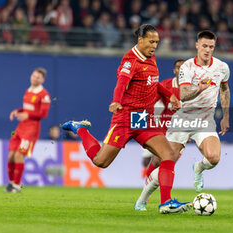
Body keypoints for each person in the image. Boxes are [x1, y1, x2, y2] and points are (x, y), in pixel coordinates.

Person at [61, 24, 191, 214]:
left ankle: (166, 202)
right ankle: (80, 128)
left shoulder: (151, 57)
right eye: (151, 41)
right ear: (140, 40)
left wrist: (168, 94)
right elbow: (121, 84)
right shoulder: (130, 61)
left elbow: (153, 83)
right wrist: (115, 101)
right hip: (125, 118)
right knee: (100, 162)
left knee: (168, 155)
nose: (155, 45)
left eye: (157, 42)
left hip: (143, 119)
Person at [134, 30, 231, 210]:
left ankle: (199, 168)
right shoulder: (187, 67)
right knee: (165, 161)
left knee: (214, 157)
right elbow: (184, 95)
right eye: (204, 46)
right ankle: (142, 199)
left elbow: (224, 90)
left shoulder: (222, 67)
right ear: (197, 45)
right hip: (183, 119)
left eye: (211, 47)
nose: (207, 50)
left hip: (205, 119)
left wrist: (226, 116)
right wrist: (199, 89)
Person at [5, 68, 51, 193]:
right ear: (31, 76)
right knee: (10, 156)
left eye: (38, 77)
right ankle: (11, 184)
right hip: (20, 127)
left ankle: (17, 186)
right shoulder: (28, 91)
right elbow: (27, 109)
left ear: (42, 80)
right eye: (34, 76)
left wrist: (28, 115)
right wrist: (18, 111)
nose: (35, 78)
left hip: (31, 129)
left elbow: (43, 114)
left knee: (19, 155)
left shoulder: (44, 95)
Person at [140, 59, 185, 179]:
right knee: (156, 159)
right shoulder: (166, 85)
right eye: (178, 67)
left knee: (169, 163)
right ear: (174, 70)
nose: (181, 70)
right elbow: (150, 101)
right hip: (164, 129)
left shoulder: (194, 88)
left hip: (182, 132)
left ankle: (155, 186)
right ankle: (148, 183)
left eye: (184, 67)